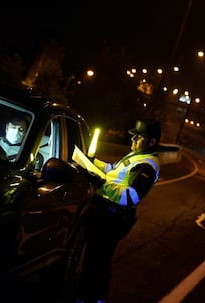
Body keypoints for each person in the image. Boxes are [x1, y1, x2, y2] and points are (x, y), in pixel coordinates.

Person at [76, 118, 162, 303]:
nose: (133, 139)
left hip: (113, 218)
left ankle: (90, 297)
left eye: (139, 137)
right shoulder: (136, 156)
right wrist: (91, 162)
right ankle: (93, 296)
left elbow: (132, 196)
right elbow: (112, 170)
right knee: (96, 258)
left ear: (152, 141)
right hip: (106, 214)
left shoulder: (147, 164)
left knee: (98, 259)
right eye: (133, 135)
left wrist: (101, 184)